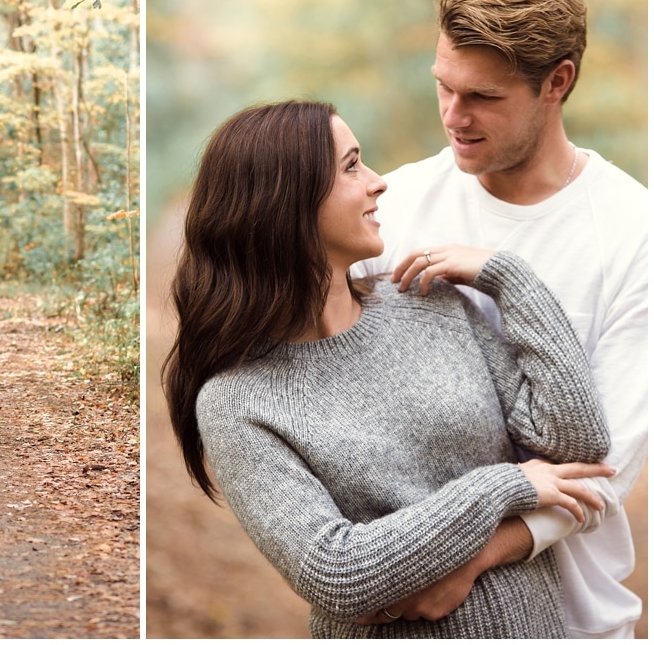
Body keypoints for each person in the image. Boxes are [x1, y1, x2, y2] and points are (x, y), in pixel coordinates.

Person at [162, 100, 615, 637]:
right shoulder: (239, 400)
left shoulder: (430, 303)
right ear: (285, 203)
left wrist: (510, 278)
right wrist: (504, 486)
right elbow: (337, 571)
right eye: (352, 166)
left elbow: (577, 443)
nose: (378, 183)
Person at [354, 0, 647, 638]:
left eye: (483, 97)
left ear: (558, 81)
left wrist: (471, 558)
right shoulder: (393, 208)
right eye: (443, 87)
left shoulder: (632, 233)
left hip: (576, 621)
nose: (454, 116)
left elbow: (601, 470)